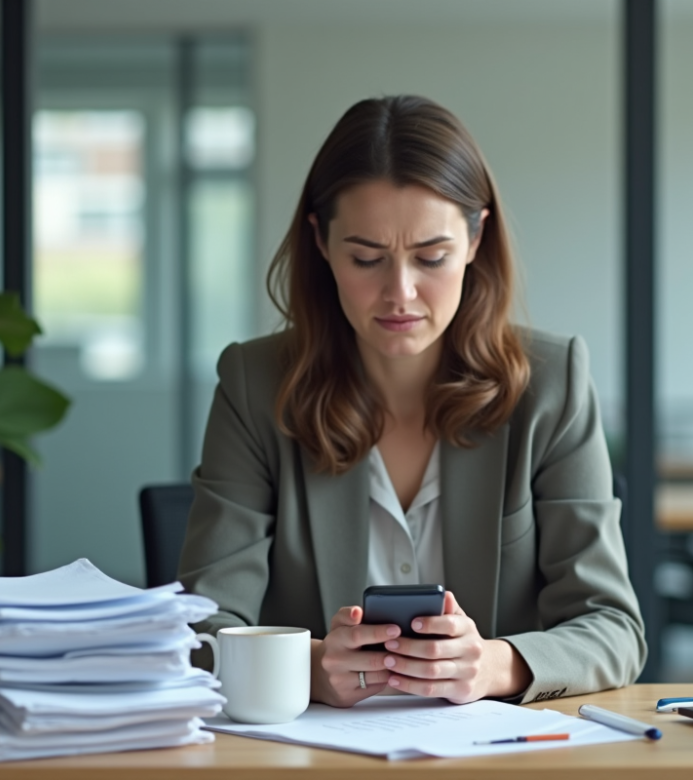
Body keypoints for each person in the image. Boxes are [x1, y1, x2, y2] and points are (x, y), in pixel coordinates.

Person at [179, 95, 645, 707]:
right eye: (366, 258)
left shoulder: (551, 383)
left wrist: (495, 665)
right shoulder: (255, 383)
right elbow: (194, 633)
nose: (400, 293)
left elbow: (614, 628)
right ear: (321, 243)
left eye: (432, 257)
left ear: (477, 238)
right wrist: (311, 665)